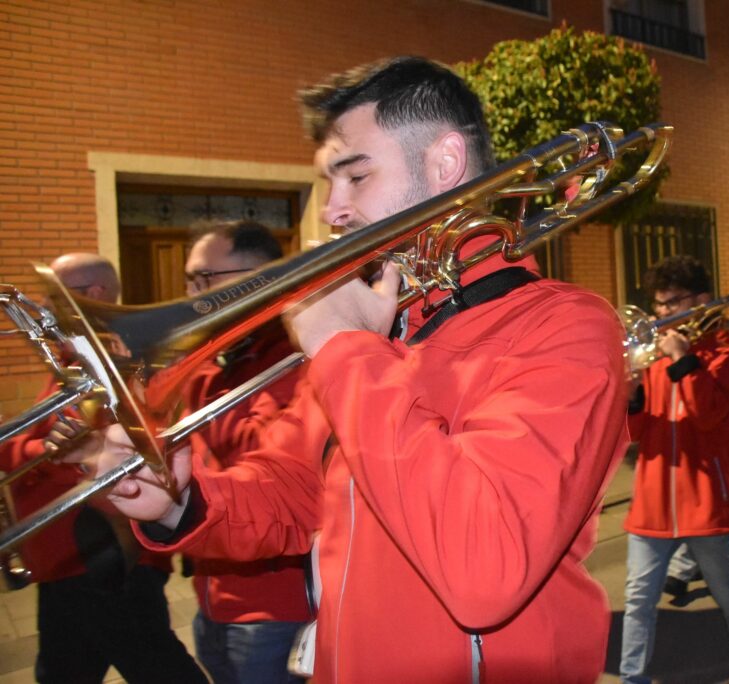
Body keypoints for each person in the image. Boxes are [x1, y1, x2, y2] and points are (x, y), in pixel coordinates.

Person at [96, 56, 629, 683]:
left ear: (446, 164)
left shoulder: (562, 326)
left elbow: (486, 569)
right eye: (329, 182)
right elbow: (296, 493)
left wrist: (346, 350)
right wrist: (180, 502)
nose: (331, 211)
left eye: (355, 176)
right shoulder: (379, 334)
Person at [0, 253, 207, 684]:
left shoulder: (112, 360)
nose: (43, 303)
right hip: (69, 559)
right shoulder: (74, 359)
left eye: (55, 295)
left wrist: (16, 450)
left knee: (156, 668)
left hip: (102, 559)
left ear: (93, 296)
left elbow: (103, 451)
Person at [620, 255, 729, 684]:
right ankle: (633, 679)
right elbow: (634, 433)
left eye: (672, 303)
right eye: (659, 304)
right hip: (651, 502)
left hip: (704, 500)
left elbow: (707, 414)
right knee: (637, 598)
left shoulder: (728, 359)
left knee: (725, 590)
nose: (663, 313)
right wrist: (630, 394)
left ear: (701, 301)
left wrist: (683, 361)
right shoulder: (651, 359)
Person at [182, 222, 312, 684]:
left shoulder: (291, 355)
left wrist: (191, 375)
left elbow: (255, 453)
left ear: (258, 277)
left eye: (203, 279)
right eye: (189, 279)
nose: (189, 294)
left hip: (271, 609)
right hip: (213, 593)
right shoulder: (228, 361)